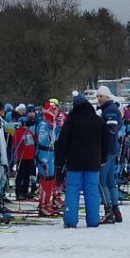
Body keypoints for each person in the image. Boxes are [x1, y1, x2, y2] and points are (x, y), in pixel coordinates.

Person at [54, 93, 108, 228]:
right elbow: (106, 142)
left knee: (72, 190)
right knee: (92, 191)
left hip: (74, 162)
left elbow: (62, 143)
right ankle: (93, 219)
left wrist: (59, 162)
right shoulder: (98, 121)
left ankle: (71, 220)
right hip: (93, 162)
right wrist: (103, 159)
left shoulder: (71, 121)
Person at [95, 86, 122, 223]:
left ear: (107, 97)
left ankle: (109, 210)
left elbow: (111, 131)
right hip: (112, 149)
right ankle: (116, 209)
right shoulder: (108, 109)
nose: (98, 99)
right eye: (97, 96)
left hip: (108, 150)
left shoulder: (110, 111)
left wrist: (104, 151)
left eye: (101, 96)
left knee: (102, 180)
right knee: (111, 181)